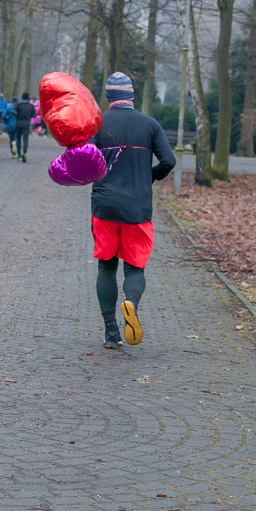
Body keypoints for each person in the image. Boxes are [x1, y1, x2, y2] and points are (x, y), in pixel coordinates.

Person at [90, 72, 175, 348]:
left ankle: (111, 332)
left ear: (108, 97)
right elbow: (169, 160)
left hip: (105, 207)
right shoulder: (150, 124)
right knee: (134, 267)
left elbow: (86, 161)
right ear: (131, 96)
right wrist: (150, 176)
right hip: (137, 208)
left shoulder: (97, 125)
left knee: (106, 267)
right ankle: (132, 303)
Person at [12, 93, 36, 163]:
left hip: (18, 123)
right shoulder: (31, 106)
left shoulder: (18, 105)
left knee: (18, 139)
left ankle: (19, 155)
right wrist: (29, 115)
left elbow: (13, 111)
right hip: (26, 124)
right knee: (25, 140)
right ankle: (24, 153)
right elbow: (34, 115)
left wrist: (16, 115)